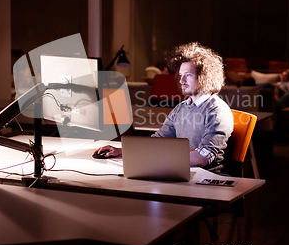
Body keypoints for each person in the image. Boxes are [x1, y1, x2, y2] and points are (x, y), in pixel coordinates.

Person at [94, 42, 234, 169]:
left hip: (206, 180)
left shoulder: (217, 110)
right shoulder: (181, 108)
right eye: (180, 75)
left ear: (205, 77)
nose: (182, 80)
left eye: (188, 75)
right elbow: (158, 140)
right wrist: (123, 151)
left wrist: (160, 159)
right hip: (181, 171)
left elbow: (203, 158)